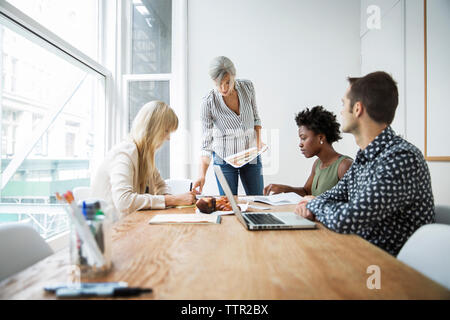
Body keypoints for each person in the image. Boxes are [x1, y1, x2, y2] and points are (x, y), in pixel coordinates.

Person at [295, 71, 435, 256]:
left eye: (344, 104)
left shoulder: (401, 158)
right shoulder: (363, 157)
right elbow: (334, 195)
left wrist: (312, 204)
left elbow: (348, 219)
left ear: (358, 108)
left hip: (388, 269)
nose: (341, 111)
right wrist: (313, 201)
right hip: (360, 253)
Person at [91, 101, 196, 221]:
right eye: (166, 130)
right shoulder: (125, 153)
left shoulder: (145, 156)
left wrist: (167, 196)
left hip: (129, 223)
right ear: (153, 128)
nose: (168, 137)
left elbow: (161, 185)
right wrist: (172, 200)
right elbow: (123, 201)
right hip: (109, 230)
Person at [193, 56, 264, 196]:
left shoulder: (247, 87)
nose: (223, 88)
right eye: (218, 83)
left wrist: (258, 141)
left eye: (227, 82)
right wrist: (201, 175)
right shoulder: (208, 102)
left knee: (258, 201)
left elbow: (256, 118)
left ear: (234, 76)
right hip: (224, 160)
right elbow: (206, 144)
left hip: (250, 154)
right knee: (229, 204)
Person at [264, 106, 352, 197]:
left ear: (320, 137)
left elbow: (354, 205)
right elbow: (307, 192)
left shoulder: (344, 165)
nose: (300, 144)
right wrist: (284, 189)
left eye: (303, 138)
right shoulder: (317, 164)